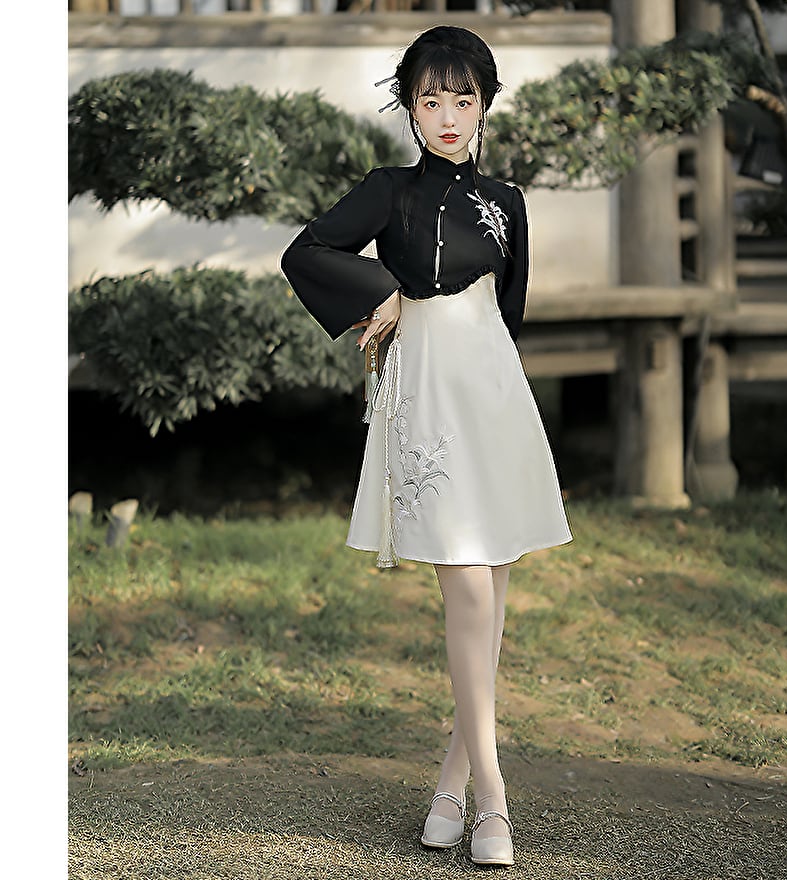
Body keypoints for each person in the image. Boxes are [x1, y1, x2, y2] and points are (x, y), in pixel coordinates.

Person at [280, 25, 572, 867]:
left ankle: (450, 788)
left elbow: (508, 311)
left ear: (484, 106)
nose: (447, 116)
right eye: (430, 100)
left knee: (492, 598)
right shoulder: (389, 192)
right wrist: (386, 291)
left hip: (493, 392)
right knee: (469, 586)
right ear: (410, 109)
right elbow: (307, 252)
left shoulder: (508, 201)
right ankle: (494, 798)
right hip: (428, 397)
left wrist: (494, 375)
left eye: (463, 99)